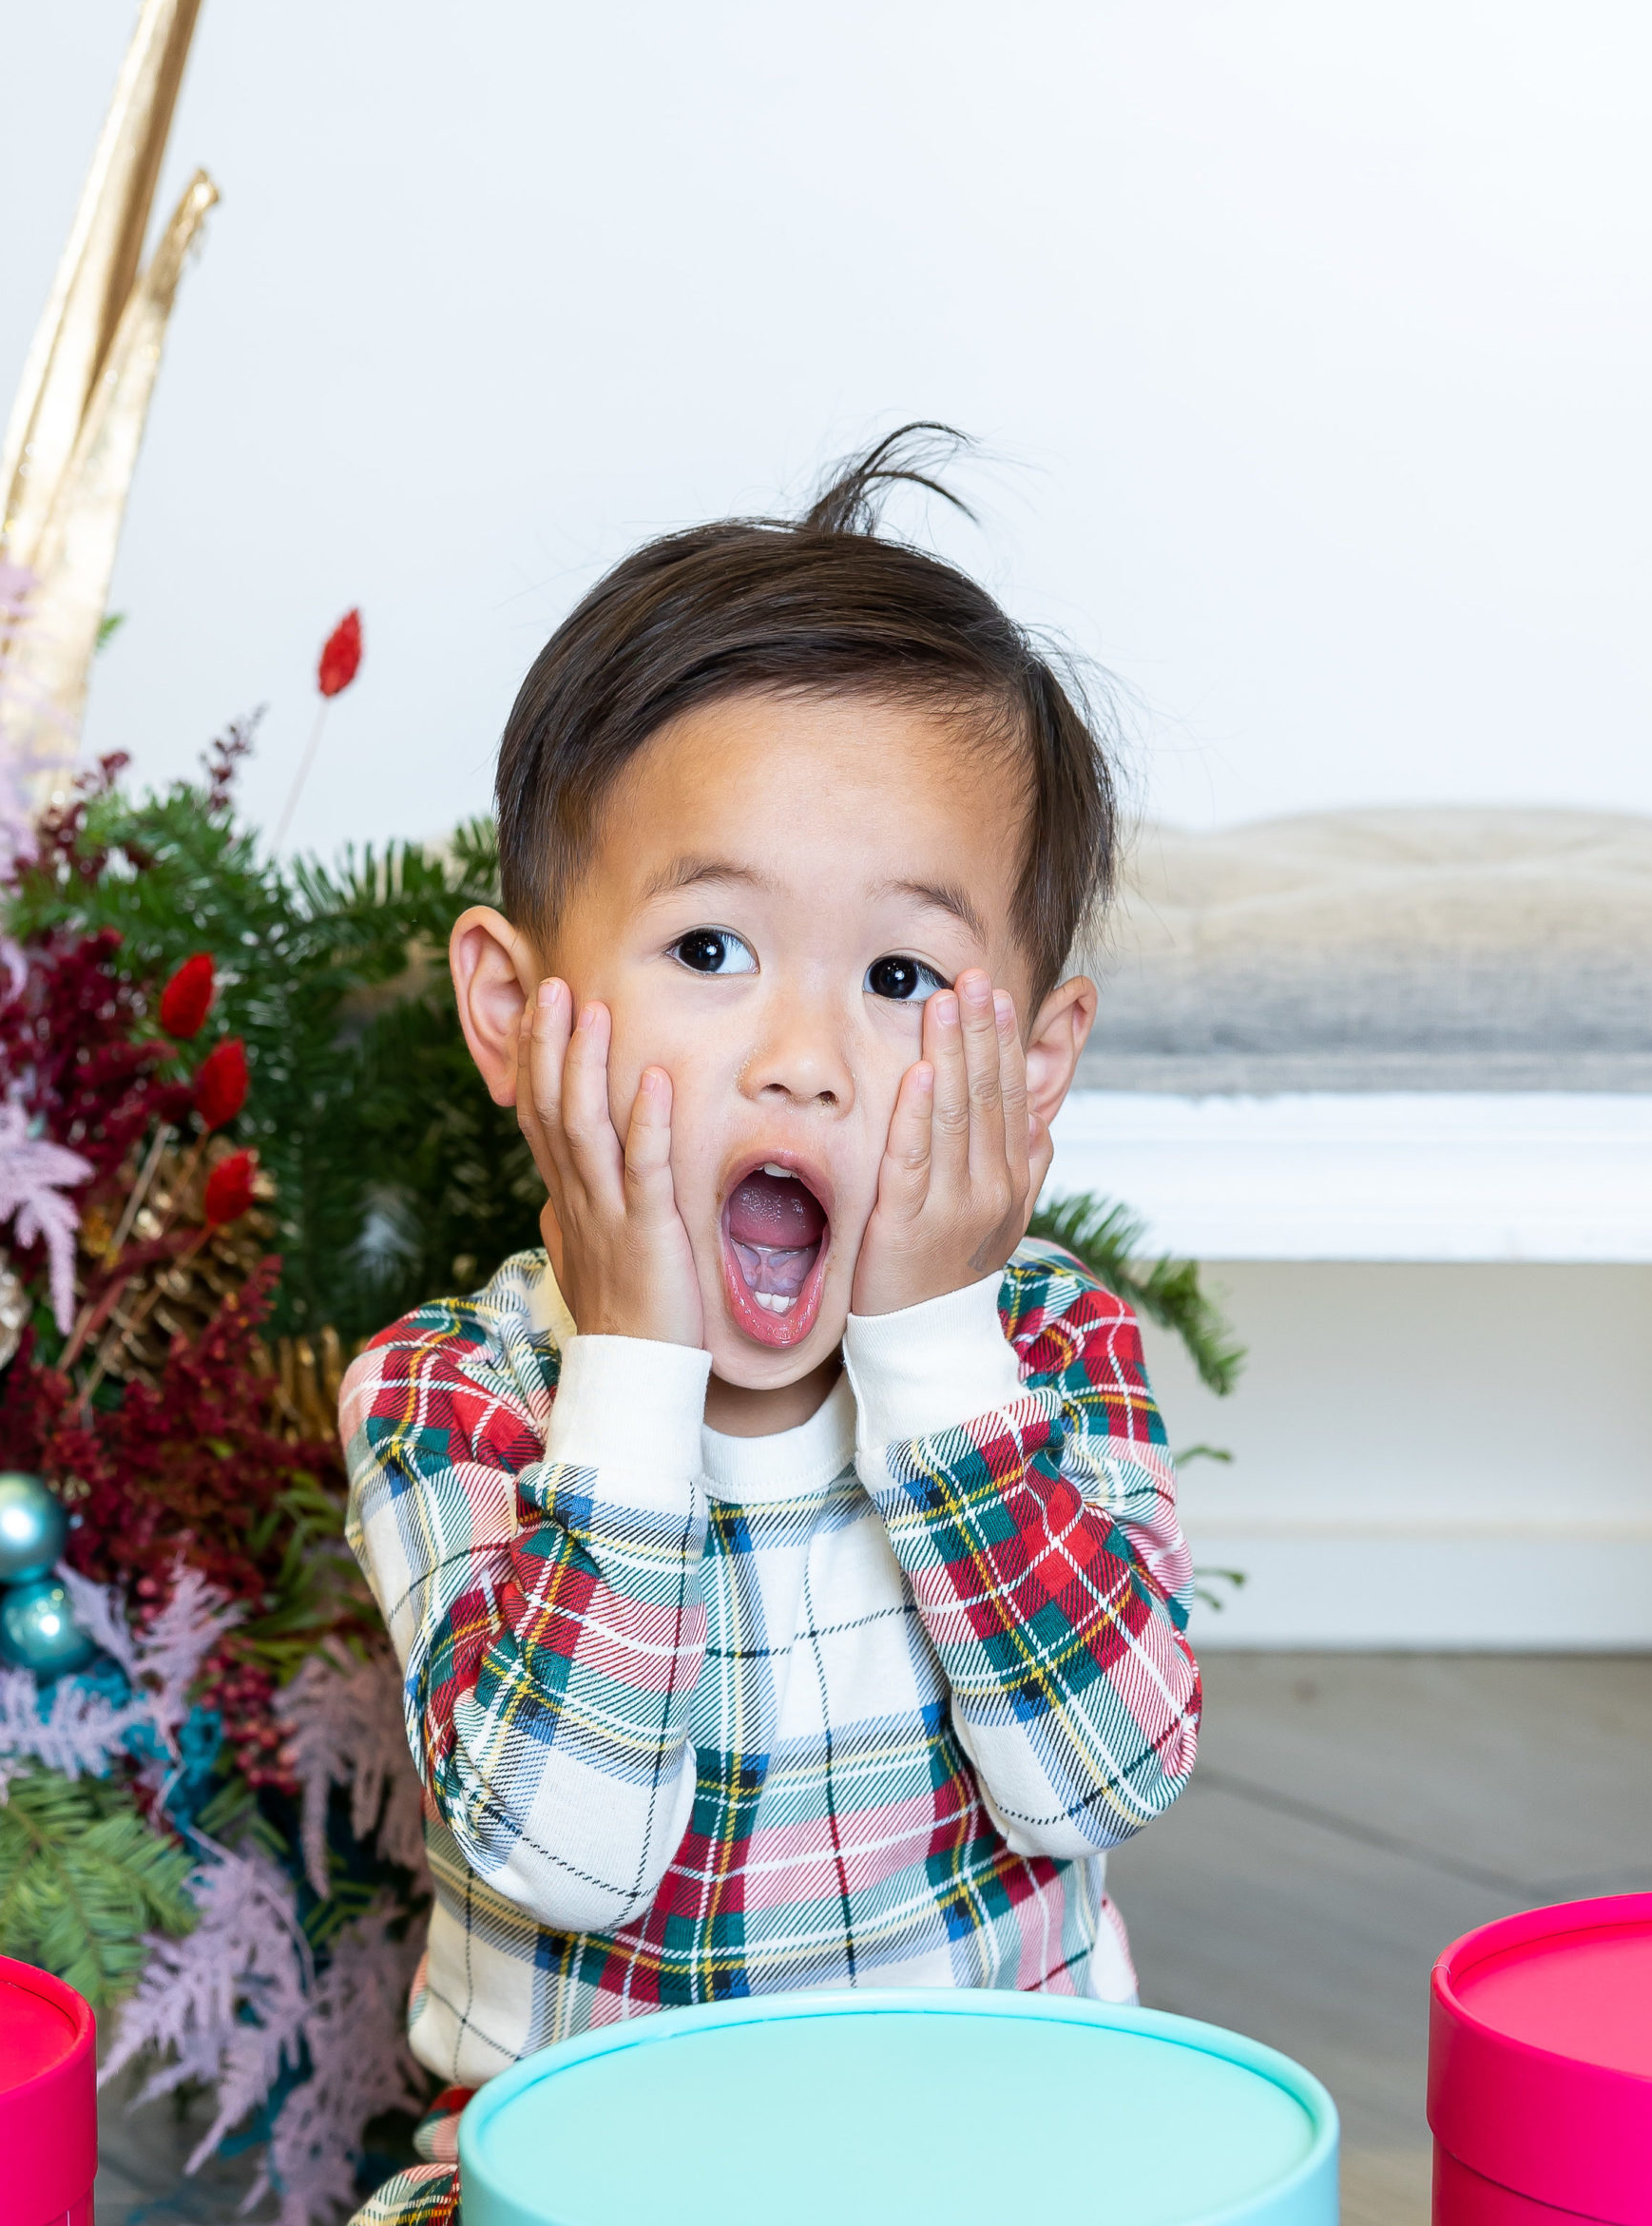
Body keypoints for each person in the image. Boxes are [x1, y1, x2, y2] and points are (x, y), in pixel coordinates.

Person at [338, 431, 1201, 2224]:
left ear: (1033, 1076)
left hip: (1002, 2164)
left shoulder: (1052, 1352)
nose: (802, 1055)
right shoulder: (454, 1396)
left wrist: (941, 1356)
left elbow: (1102, 1774)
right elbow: (562, 1853)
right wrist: (636, 1379)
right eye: (713, 951)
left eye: (901, 980)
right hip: (592, 2181)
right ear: (512, 1012)